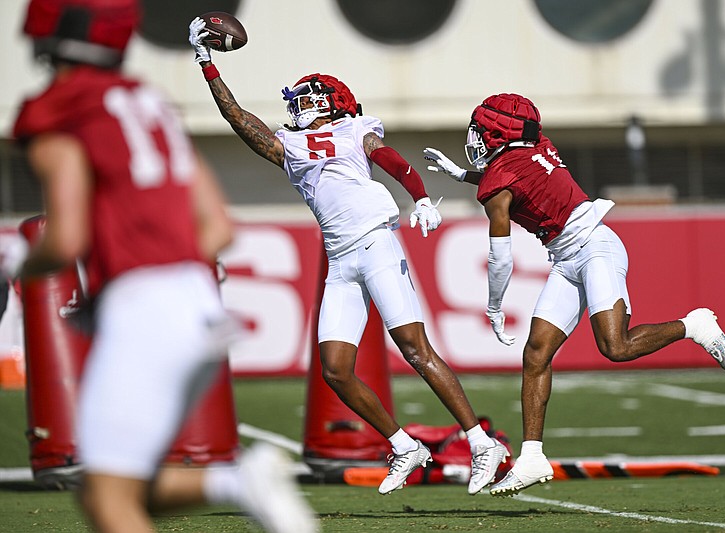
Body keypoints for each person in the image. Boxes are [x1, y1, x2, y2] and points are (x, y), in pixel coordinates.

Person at [11, 1, 317, 532]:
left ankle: (243, 479)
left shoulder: (61, 107)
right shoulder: (149, 105)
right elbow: (219, 227)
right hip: (199, 305)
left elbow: (64, 237)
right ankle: (238, 482)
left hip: (145, 311)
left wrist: (16, 263)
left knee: (108, 501)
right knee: (120, 489)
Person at [189, 18, 509, 496]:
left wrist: (419, 197)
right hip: (341, 261)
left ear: (329, 102)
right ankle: (405, 446)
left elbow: (391, 160)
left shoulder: (355, 129)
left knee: (416, 349)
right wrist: (206, 64)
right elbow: (238, 118)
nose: (295, 106)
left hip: (377, 243)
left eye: (305, 97)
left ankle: (482, 443)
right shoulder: (290, 146)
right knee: (335, 370)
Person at [423, 93, 725, 496]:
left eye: (482, 130)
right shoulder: (537, 145)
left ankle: (693, 325)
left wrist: (495, 306)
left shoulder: (501, 178)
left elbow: (500, 257)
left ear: (499, 134)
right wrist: (465, 176)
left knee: (616, 346)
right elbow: (513, 179)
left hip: (595, 250)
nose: (476, 137)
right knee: (536, 355)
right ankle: (532, 455)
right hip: (568, 257)